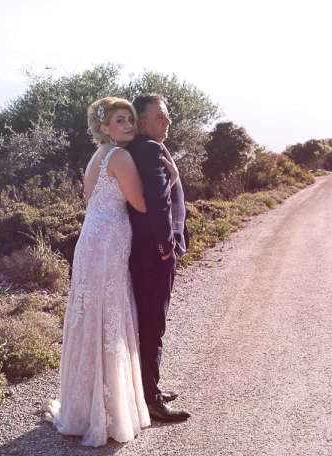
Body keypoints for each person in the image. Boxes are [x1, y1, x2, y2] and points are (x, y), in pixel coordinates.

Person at [46, 97, 178, 446]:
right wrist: (173, 177)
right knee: (111, 317)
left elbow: (90, 197)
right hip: (108, 244)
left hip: (91, 240)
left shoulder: (98, 155)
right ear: (104, 126)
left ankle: (86, 403)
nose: (128, 126)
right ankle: (112, 408)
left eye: (130, 119)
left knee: (92, 318)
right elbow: (142, 204)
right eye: (120, 120)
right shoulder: (120, 156)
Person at [127, 94, 191, 423]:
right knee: (153, 324)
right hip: (154, 254)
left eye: (167, 116)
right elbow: (158, 201)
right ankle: (151, 399)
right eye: (160, 117)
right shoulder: (149, 149)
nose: (168, 122)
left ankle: (149, 388)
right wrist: (166, 247)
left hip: (144, 251)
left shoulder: (138, 148)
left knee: (149, 323)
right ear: (141, 121)